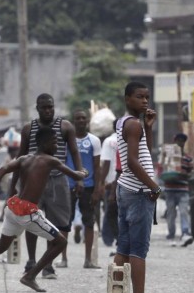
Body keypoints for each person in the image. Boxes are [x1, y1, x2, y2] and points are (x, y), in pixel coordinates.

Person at [0, 126, 87, 293]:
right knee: (61, 241)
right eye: (55, 143)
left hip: (13, 207)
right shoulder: (51, 160)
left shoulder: (24, 159)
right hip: (27, 212)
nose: (57, 147)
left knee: (1, 245)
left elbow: (2, 170)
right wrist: (84, 171)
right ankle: (30, 276)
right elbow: (76, 176)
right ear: (45, 143)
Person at [17, 93, 82, 280]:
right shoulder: (29, 129)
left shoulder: (65, 126)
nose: (48, 110)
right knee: (31, 220)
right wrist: (16, 185)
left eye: (50, 107)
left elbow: (74, 152)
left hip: (58, 179)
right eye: (44, 107)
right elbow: (20, 157)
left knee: (56, 224)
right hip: (33, 179)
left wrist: (78, 178)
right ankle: (31, 261)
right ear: (37, 109)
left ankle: (47, 265)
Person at [113, 81, 164, 293]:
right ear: (127, 99)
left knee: (123, 247)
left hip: (125, 189)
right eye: (139, 97)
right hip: (138, 192)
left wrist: (149, 128)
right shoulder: (133, 125)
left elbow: (145, 154)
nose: (145, 101)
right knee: (138, 250)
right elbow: (133, 162)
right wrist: (153, 186)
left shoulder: (127, 123)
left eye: (147, 97)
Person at [64, 109, 101, 268]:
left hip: (88, 186)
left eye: (83, 118)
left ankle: (88, 260)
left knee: (89, 222)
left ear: (87, 121)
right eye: (77, 118)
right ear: (73, 121)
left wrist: (97, 189)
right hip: (68, 186)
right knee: (64, 223)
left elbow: (97, 167)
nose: (80, 121)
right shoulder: (66, 141)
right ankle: (63, 258)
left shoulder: (94, 141)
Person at [158, 132, 193, 246]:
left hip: (183, 189)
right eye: (178, 140)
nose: (180, 143)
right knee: (171, 214)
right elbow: (161, 171)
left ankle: (185, 232)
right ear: (175, 142)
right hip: (170, 190)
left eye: (182, 141)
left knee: (184, 212)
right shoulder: (168, 158)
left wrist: (181, 175)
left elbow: (190, 174)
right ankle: (171, 233)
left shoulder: (187, 158)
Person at [97, 131, 120, 251]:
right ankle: (116, 237)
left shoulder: (108, 142)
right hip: (122, 181)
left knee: (109, 211)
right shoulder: (128, 140)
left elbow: (106, 163)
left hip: (110, 182)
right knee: (118, 212)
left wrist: (101, 182)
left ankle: (108, 238)